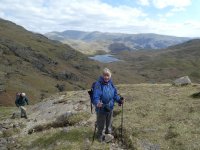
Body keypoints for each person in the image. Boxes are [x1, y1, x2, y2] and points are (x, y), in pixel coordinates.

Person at [92, 68, 124, 142]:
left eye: (107, 75)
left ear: (110, 76)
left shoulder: (111, 84)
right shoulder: (98, 84)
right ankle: (100, 136)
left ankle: (108, 134)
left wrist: (119, 100)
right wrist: (97, 103)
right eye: (104, 75)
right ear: (102, 75)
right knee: (101, 124)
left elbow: (115, 95)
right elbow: (95, 96)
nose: (106, 77)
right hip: (101, 108)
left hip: (110, 107)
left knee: (109, 122)